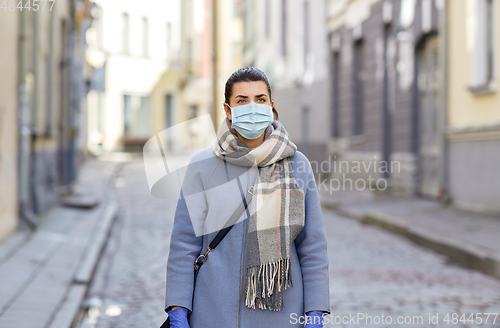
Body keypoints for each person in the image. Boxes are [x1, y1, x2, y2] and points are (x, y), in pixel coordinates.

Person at [164, 67, 330, 328]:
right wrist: (178, 307)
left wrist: (316, 310)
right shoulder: (202, 165)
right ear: (228, 110)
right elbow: (184, 244)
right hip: (213, 313)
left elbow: (312, 248)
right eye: (242, 101)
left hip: (282, 316)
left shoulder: (298, 165)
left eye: (260, 99)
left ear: (271, 107)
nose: (252, 107)